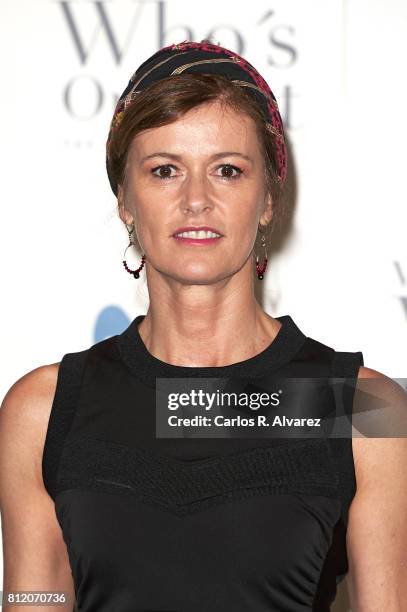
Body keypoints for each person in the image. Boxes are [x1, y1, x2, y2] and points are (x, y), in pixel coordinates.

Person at [1, 39, 406, 612]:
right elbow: (33, 598)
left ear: (267, 197)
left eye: (228, 170)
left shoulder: (361, 409)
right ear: (125, 199)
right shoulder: (44, 411)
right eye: (165, 170)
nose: (196, 199)